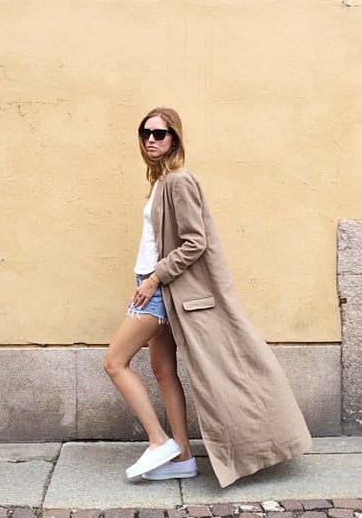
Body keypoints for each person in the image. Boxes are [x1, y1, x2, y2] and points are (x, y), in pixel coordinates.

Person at [104, 107, 311, 487]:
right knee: (163, 371)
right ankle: (182, 456)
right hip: (153, 283)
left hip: (158, 288)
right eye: (145, 132)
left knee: (115, 362)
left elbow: (195, 242)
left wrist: (153, 280)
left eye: (160, 134)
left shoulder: (179, 180)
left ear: (175, 139)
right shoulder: (162, 181)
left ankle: (158, 441)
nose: (151, 139)